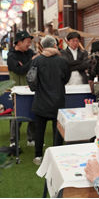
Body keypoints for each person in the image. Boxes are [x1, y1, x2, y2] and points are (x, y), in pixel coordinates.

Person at [31, 36, 71, 165]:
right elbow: (66, 78)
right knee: (57, 130)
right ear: (55, 45)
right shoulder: (62, 61)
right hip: (58, 100)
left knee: (39, 130)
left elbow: (32, 80)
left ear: (42, 46)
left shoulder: (37, 61)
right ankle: (57, 155)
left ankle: (38, 156)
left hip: (40, 100)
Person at [7, 31, 37, 147]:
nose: (29, 44)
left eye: (30, 42)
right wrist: (31, 61)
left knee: (33, 113)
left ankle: (31, 138)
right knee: (17, 115)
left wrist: (26, 64)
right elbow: (20, 70)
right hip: (16, 90)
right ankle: (13, 141)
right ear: (19, 42)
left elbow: (30, 67)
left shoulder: (29, 52)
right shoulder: (11, 56)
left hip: (31, 87)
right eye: (27, 42)